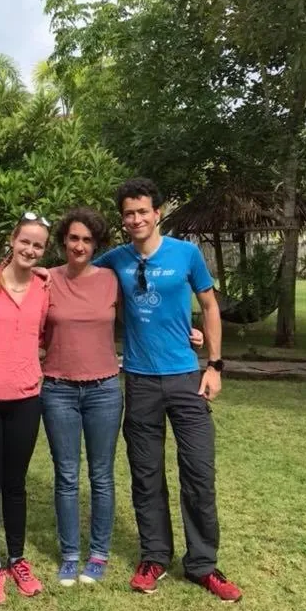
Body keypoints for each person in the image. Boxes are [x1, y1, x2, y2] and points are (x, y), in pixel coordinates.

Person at [93, 177, 242, 602]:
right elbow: (76, 270)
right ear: (123, 219)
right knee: (146, 473)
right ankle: (154, 556)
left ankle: (202, 565)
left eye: (143, 211)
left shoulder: (186, 254)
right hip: (139, 381)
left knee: (198, 473)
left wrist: (213, 365)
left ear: (157, 212)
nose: (136, 218)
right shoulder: (116, 260)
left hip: (185, 379)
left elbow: (210, 307)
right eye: (128, 213)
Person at [40, 207, 204, 588]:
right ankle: (69, 554)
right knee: (66, 475)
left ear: (96, 244)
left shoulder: (113, 279)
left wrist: (190, 332)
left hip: (104, 389)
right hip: (58, 389)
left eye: (87, 239)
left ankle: (98, 552)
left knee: (101, 475)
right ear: (63, 240)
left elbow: (153, 308)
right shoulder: (46, 280)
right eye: (73, 238)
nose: (79, 245)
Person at [0, 213, 51, 604]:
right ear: (12, 240)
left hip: (25, 398)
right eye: (25, 242)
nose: (30, 250)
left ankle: (17, 558)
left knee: (15, 484)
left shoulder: (44, 287)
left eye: (38, 246)